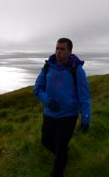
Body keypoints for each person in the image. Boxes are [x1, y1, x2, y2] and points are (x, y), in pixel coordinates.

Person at [33, 38, 92, 177]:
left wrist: (86, 117)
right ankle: (64, 152)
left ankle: (58, 169)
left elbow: (84, 96)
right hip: (49, 113)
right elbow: (37, 89)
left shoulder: (76, 70)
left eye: (62, 49)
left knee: (60, 146)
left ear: (70, 51)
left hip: (68, 115)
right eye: (57, 48)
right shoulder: (47, 67)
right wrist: (47, 101)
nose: (58, 52)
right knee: (46, 141)